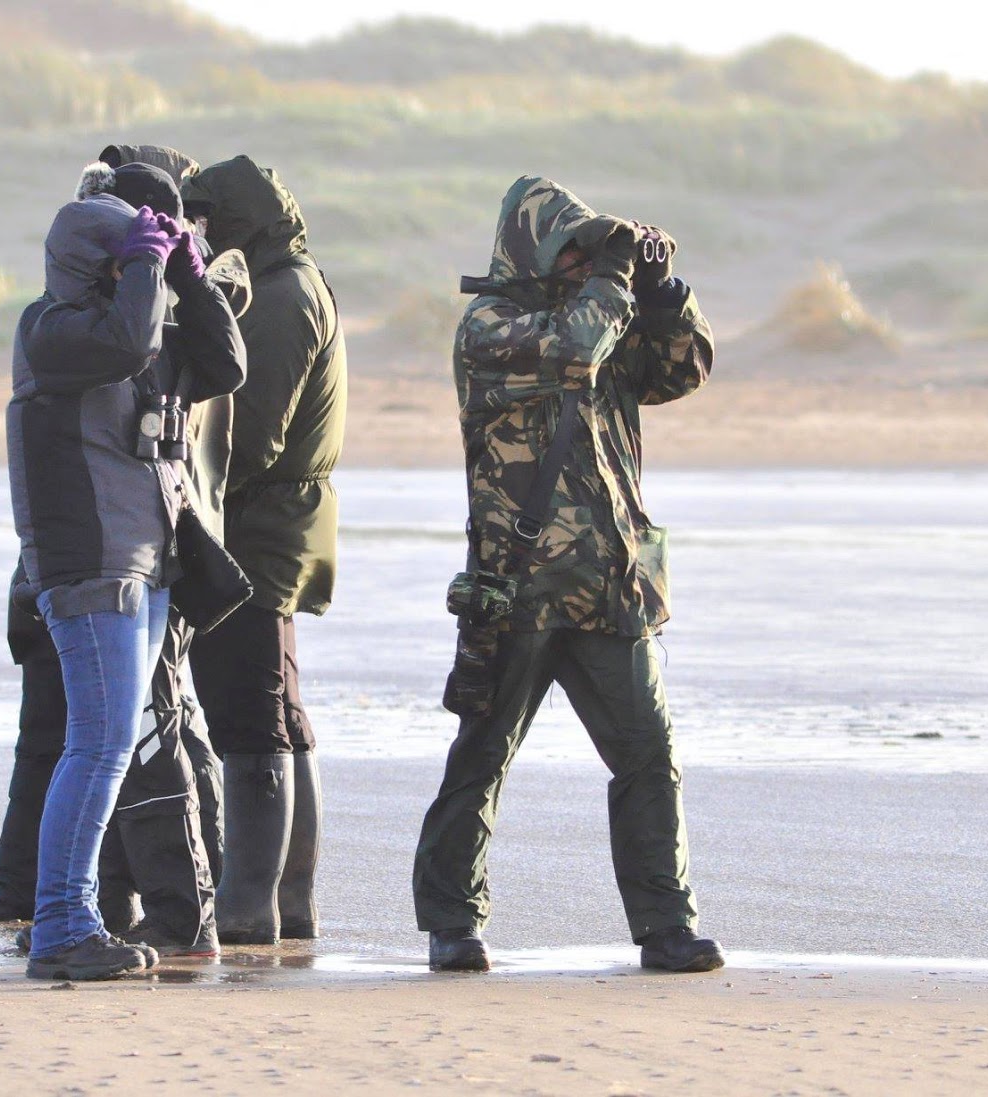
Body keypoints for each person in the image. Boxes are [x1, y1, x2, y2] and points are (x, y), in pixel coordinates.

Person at [412, 175, 724, 975]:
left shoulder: (605, 312)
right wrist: (614, 282)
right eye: (573, 247)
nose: (586, 260)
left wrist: (661, 291)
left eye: (591, 248)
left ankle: (666, 926)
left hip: (611, 585)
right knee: (482, 758)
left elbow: (682, 368)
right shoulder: (490, 328)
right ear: (532, 251)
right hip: (518, 589)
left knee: (650, 759)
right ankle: (453, 922)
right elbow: (579, 348)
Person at [0, 147, 230, 954]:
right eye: (122, 254)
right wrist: (145, 267)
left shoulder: (141, 329)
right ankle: (63, 920)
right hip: (90, 563)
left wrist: (187, 273)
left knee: (102, 742)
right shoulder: (55, 330)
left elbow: (225, 362)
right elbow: (122, 344)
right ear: (92, 257)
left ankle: (66, 916)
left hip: (144, 562)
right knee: (100, 742)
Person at [179, 156, 347, 944]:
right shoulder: (295, 280)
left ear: (239, 219)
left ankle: (251, 909)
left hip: (260, 528)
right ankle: (288, 901)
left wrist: (192, 482)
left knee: (252, 720)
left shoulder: (281, 295)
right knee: (280, 711)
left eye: (207, 219)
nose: (200, 233)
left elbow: (253, 433)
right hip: (285, 522)